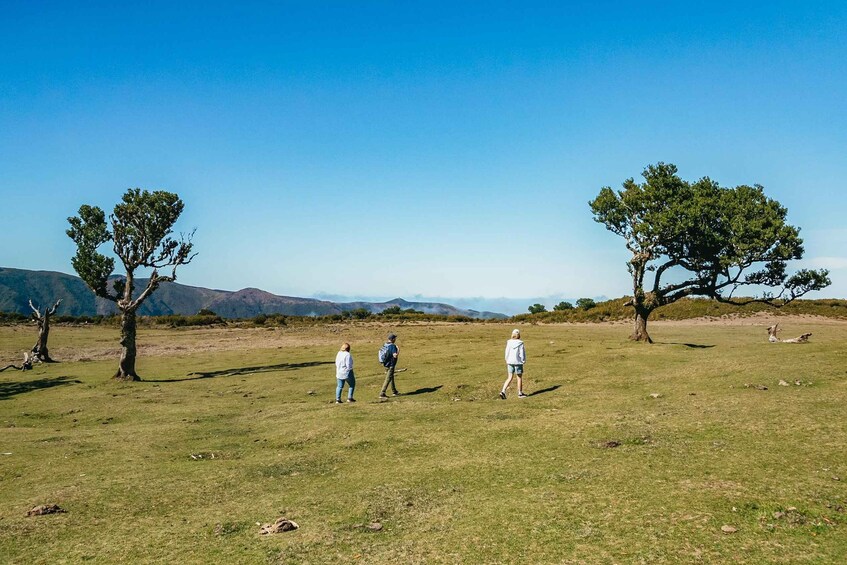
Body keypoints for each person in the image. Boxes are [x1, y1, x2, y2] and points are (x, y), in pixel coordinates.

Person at [500, 329, 527, 399]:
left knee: (509, 377)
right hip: (518, 362)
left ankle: (503, 391)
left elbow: (506, 352)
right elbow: (522, 354)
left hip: (509, 362)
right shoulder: (520, 343)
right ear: (519, 335)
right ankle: (520, 393)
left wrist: (507, 359)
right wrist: (523, 360)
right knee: (519, 377)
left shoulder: (508, 342)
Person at [379, 332, 400, 399]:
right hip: (391, 364)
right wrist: (398, 350)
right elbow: (395, 355)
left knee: (391, 377)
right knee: (388, 379)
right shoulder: (392, 346)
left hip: (385, 364)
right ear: (393, 339)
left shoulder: (385, 345)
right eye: (395, 338)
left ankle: (394, 391)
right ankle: (382, 393)